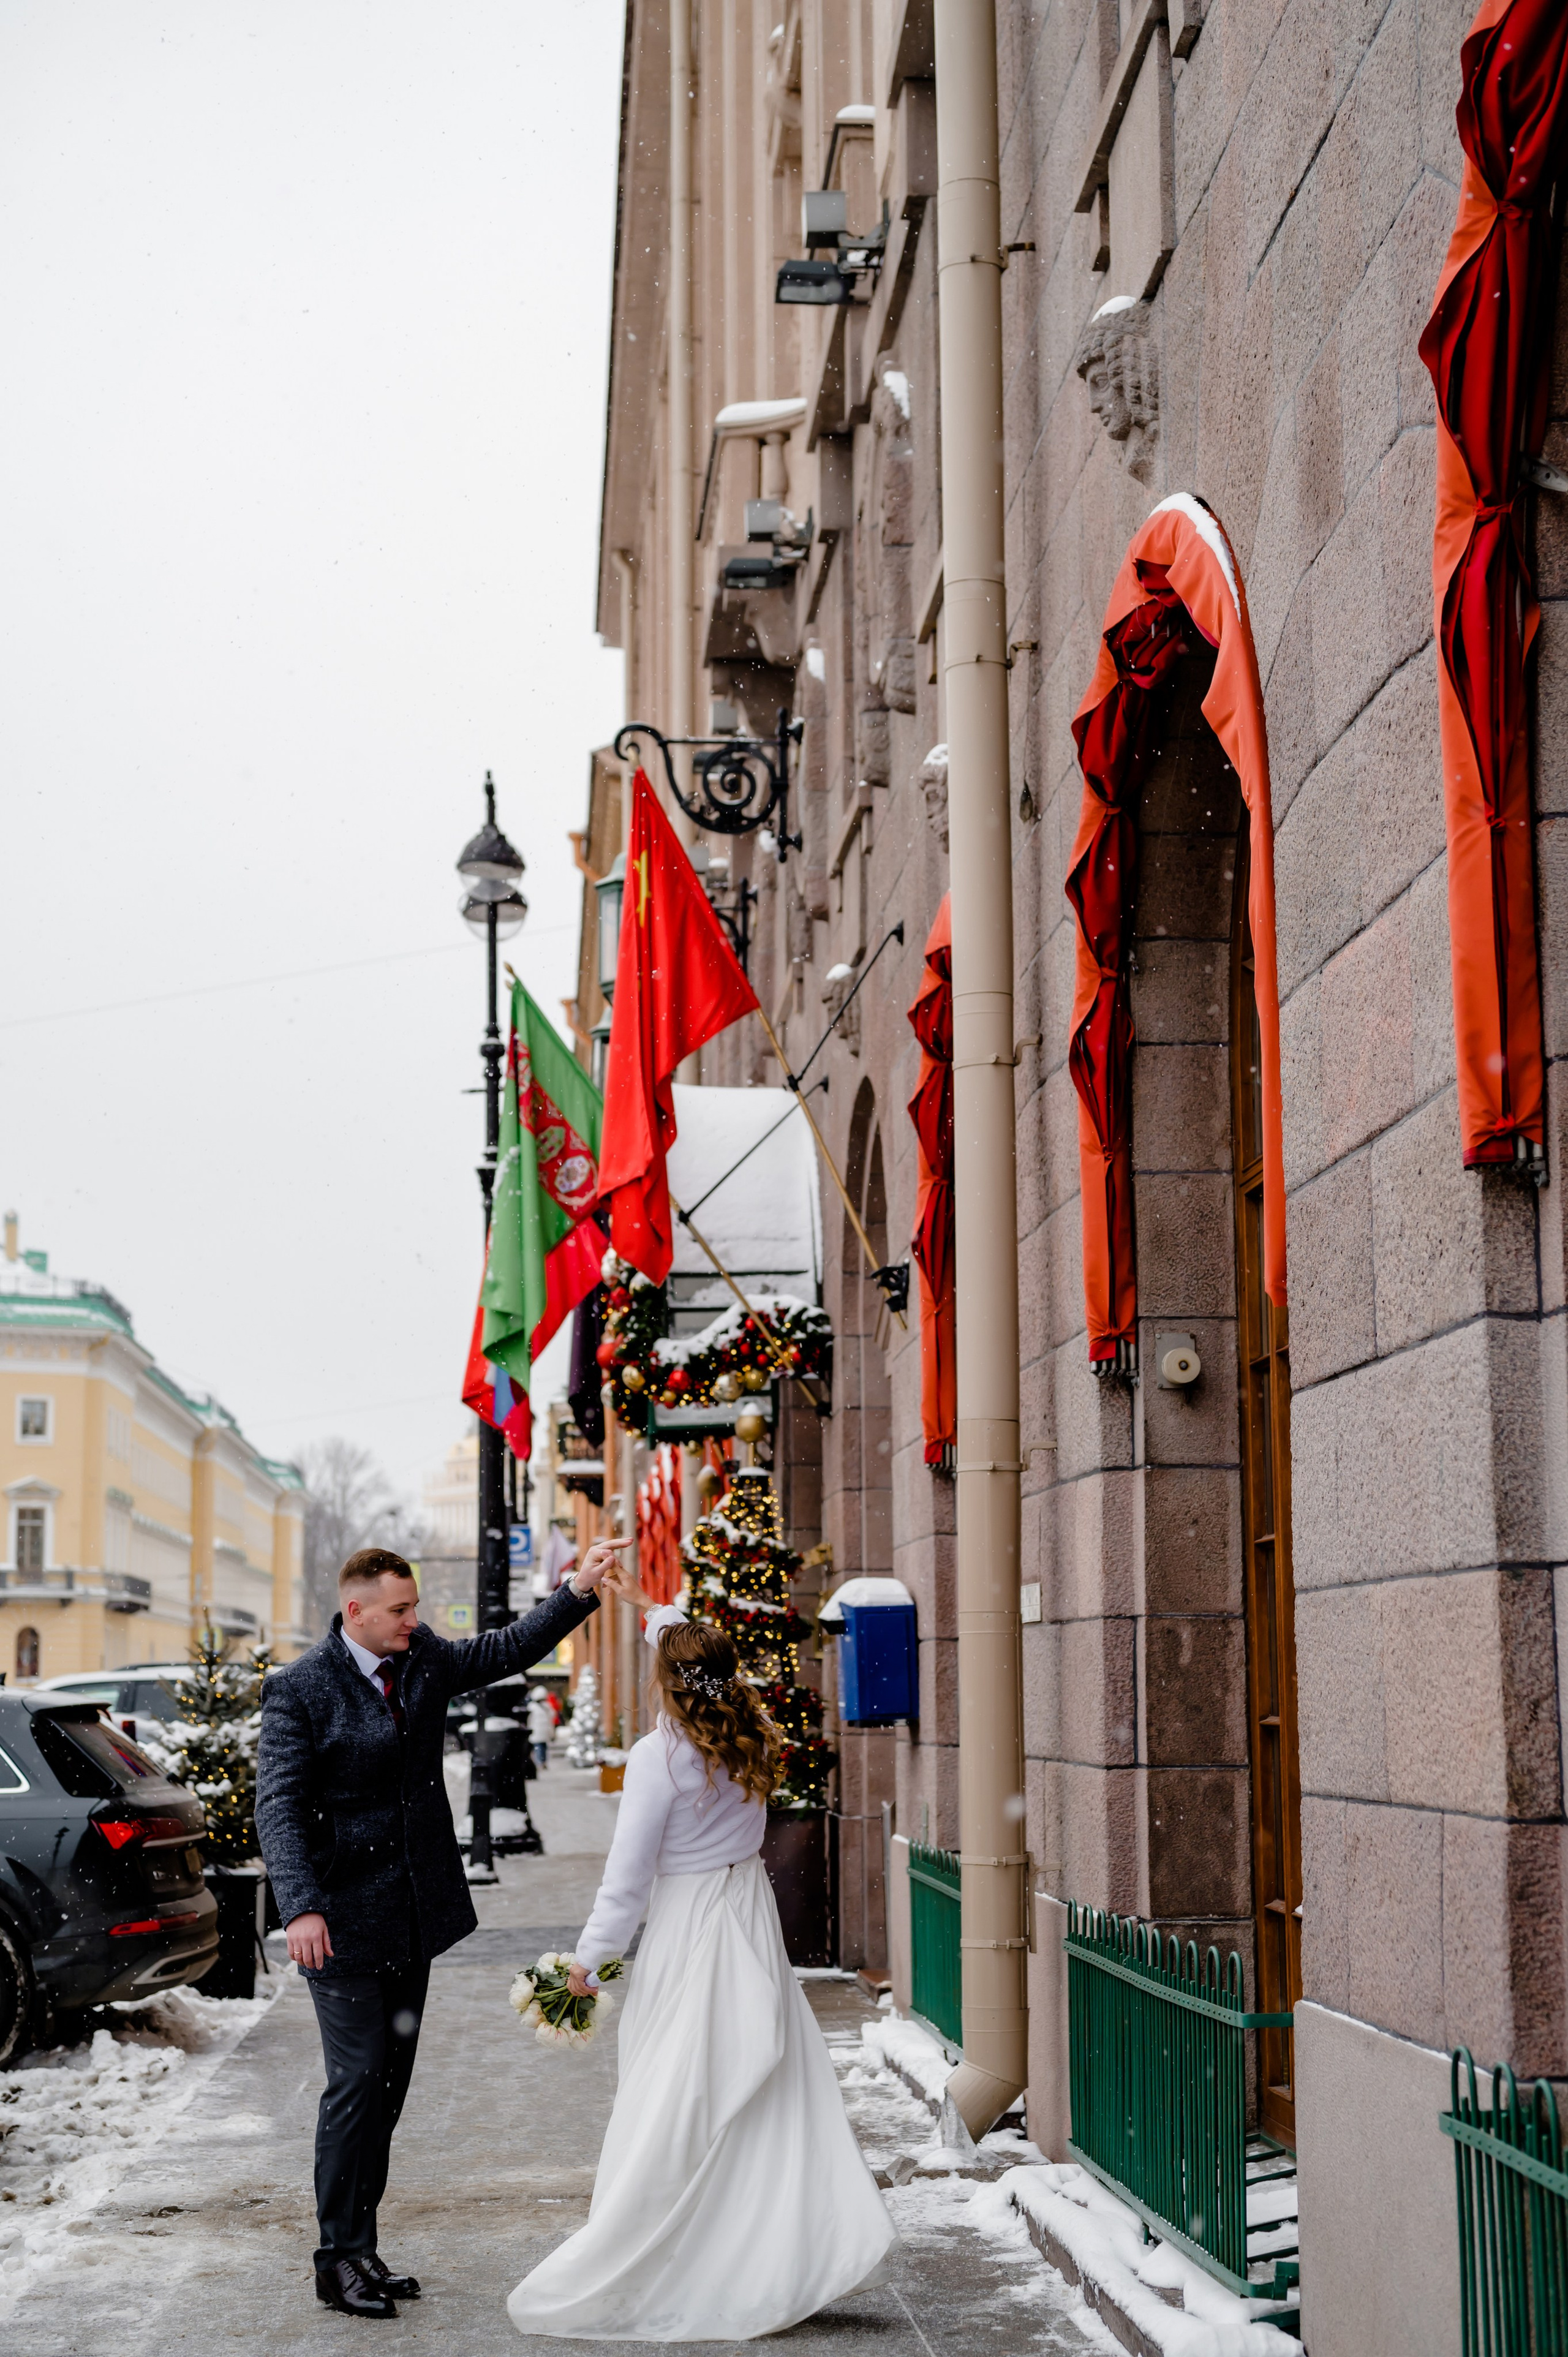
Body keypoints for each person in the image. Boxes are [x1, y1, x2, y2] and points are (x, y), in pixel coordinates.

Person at [506, 1590, 896, 2342]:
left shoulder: (660, 1757)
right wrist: (654, 1613)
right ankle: (779, 2248)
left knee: (677, 2087)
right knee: (761, 2083)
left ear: (667, 1678)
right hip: (747, 1916)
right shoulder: (753, 1733)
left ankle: (671, 2246)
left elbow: (628, 1877)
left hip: (689, 1925)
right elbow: (685, 1641)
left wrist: (588, 1962)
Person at [256, 1537, 625, 2321]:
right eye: (399, 1609)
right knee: (355, 2083)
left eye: (415, 1606)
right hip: (340, 1923)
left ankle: (361, 2245)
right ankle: (335, 2258)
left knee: (387, 2089)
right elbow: (278, 1806)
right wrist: (301, 1905)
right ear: (355, 1610)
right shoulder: (300, 1688)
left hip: (412, 1915)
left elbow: (503, 1648)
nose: (413, 1621)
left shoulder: (420, 1656)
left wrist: (577, 1590)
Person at [526, 1683, 554, 1768]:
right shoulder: (547, 1706)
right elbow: (552, 1716)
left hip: (536, 1731)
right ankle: (543, 1762)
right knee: (543, 1747)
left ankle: (540, 1762)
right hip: (544, 1730)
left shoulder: (532, 1706)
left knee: (538, 1747)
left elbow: (529, 1719)